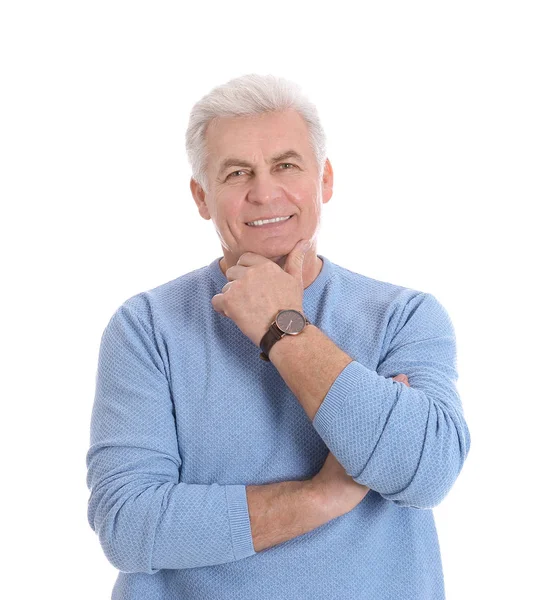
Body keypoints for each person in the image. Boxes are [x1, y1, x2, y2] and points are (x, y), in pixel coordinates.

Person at [86, 73, 471, 600]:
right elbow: (128, 525)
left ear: (325, 180)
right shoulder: (147, 327)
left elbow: (426, 473)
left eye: (286, 165)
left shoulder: (404, 316)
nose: (264, 191)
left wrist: (283, 327)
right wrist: (319, 498)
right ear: (202, 196)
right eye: (237, 173)